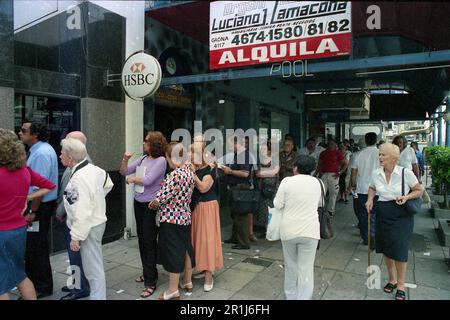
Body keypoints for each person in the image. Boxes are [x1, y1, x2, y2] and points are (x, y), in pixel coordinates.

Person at [0, 129, 55, 300]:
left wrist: (26, 197)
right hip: (19, 229)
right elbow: (49, 186)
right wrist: (26, 196)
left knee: (2, 285)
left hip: (2, 232)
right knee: (20, 275)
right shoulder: (25, 171)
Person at [365, 143, 423, 301]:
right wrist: (370, 199)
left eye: (383, 155)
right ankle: (392, 279)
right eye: (380, 154)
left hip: (401, 214)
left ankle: (401, 285)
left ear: (393, 158)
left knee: (400, 249)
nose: (380, 157)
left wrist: (407, 197)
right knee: (386, 247)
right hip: (383, 212)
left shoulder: (405, 172)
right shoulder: (376, 173)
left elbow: (419, 190)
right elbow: (372, 188)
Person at [61, 138, 114, 300]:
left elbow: (81, 211)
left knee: (92, 269)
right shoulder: (94, 169)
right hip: (95, 224)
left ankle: (98, 297)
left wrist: (76, 237)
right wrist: (97, 201)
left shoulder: (78, 178)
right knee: (93, 266)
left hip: (88, 226)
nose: (60, 156)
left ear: (70, 157)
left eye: (62, 152)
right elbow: (108, 183)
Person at [120, 131, 167, 298]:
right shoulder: (142, 159)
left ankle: (151, 281)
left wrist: (133, 179)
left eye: (146, 141)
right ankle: (147, 273)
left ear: (154, 143)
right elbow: (123, 172)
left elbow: (148, 180)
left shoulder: (161, 161)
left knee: (149, 241)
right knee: (141, 239)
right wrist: (125, 159)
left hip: (150, 205)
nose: (143, 143)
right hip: (138, 202)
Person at [149, 142, 195, 300]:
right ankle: (187, 282)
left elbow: (161, 197)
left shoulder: (175, 175)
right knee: (185, 249)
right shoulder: (188, 171)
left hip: (171, 218)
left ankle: (172, 290)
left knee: (174, 253)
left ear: (170, 157)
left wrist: (153, 203)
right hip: (185, 217)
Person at [18, 122, 58, 298]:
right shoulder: (40, 150)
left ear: (35, 135)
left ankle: (41, 286)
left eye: (24, 131)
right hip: (39, 205)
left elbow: (38, 188)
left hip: (39, 207)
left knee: (36, 248)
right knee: (35, 247)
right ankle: (36, 284)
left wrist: (32, 211)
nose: (20, 133)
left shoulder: (41, 153)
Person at [273, 155, 321, 300]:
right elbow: (319, 204)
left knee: (291, 266)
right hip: (311, 231)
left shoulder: (287, 182)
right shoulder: (319, 183)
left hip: (289, 230)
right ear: (312, 169)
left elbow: (277, 204)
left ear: (296, 168)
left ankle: (291, 296)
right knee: (306, 269)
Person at [181, 142, 223, 293]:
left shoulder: (210, 169)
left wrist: (192, 174)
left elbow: (204, 188)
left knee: (207, 240)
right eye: (190, 153)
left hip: (207, 208)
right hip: (196, 208)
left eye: (192, 153)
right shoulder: (194, 168)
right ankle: (201, 267)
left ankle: (209, 275)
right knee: (196, 240)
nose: (190, 156)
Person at [54, 131, 91, 300]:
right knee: (74, 255)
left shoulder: (79, 168)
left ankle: (79, 288)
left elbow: (69, 196)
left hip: (74, 220)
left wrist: (60, 212)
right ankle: (76, 283)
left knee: (75, 254)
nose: (61, 151)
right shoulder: (82, 164)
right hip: (74, 218)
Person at [221, 136, 253, 250]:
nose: (229, 147)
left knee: (241, 216)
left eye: (230, 144)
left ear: (237, 144)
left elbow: (245, 173)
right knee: (235, 214)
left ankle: (243, 242)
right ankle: (235, 237)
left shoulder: (243, 156)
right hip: (235, 188)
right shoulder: (237, 155)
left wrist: (230, 171)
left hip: (241, 188)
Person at [350, 132, 380, 247]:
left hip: (362, 189)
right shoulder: (381, 154)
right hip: (377, 190)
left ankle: (366, 237)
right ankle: (374, 234)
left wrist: (353, 185)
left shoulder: (358, 155)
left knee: (363, 215)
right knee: (376, 214)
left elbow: (353, 173)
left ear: (366, 141)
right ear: (376, 140)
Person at [316, 138, 348, 219]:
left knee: (333, 193)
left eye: (332, 144)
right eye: (329, 143)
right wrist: (319, 172)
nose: (330, 145)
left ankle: (331, 210)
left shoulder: (338, 153)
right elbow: (320, 163)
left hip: (334, 175)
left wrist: (340, 172)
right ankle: (321, 208)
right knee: (322, 192)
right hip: (324, 174)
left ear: (335, 145)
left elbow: (345, 163)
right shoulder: (323, 153)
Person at [255, 141, 279, 236]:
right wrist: (267, 173)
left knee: (271, 208)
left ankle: (272, 229)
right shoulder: (258, 159)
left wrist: (262, 174)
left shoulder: (274, 159)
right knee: (262, 209)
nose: (262, 150)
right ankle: (265, 229)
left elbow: (275, 171)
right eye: (261, 148)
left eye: (264, 148)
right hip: (261, 187)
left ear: (269, 150)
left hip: (272, 188)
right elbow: (256, 172)